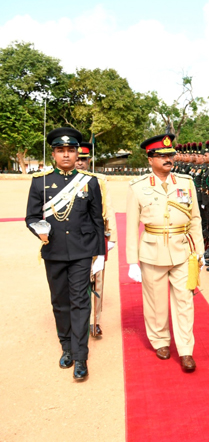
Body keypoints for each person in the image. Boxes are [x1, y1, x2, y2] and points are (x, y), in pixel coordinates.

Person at [25, 127, 106, 381]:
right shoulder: (40, 181)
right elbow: (31, 216)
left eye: (71, 150)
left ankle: (81, 356)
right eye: (61, 150)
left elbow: (97, 221)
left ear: (77, 152)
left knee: (80, 301)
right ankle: (67, 348)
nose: (67, 155)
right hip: (54, 251)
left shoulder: (89, 181)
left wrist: (99, 255)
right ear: (54, 154)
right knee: (60, 303)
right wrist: (39, 230)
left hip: (82, 252)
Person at [126, 134, 204, 372]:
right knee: (156, 302)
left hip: (182, 250)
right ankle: (160, 340)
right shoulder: (137, 187)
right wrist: (132, 261)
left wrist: (199, 251)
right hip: (152, 250)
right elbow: (131, 225)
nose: (168, 159)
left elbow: (195, 219)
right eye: (162, 156)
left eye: (170, 155)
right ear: (150, 159)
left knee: (185, 301)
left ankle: (186, 350)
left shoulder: (185, 182)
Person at [75, 142, 117, 337]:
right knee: (76, 281)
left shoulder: (99, 180)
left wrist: (111, 235)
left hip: (95, 235)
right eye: (77, 158)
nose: (79, 163)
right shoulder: (62, 180)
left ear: (89, 161)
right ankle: (78, 321)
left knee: (98, 279)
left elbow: (107, 207)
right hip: (72, 238)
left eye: (83, 159)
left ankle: (96, 321)